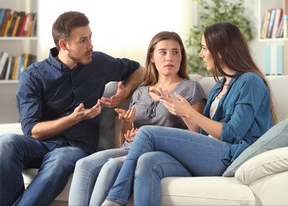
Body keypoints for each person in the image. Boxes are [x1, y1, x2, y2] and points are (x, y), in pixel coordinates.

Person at [102, 22, 278, 206]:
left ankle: (114, 200)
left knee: (147, 132)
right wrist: (182, 112)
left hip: (231, 155)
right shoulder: (219, 86)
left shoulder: (250, 81)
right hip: (211, 152)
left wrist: (190, 113)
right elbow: (203, 134)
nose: (201, 54)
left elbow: (232, 133)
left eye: (204, 48)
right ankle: (125, 179)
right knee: (147, 161)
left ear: (220, 50)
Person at [0, 11, 146, 206]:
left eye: (90, 37)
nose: (90, 46)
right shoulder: (33, 75)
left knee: (59, 160)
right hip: (41, 144)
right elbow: (32, 131)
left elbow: (139, 69)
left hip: (75, 147)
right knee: (5, 142)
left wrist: (125, 92)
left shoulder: (98, 62)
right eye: (83, 41)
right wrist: (73, 118)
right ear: (63, 44)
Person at [68, 31, 206, 206]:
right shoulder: (140, 92)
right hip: (130, 150)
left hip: (162, 154)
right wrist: (126, 124)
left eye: (175, 52)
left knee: (111, 167)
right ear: (152, 57)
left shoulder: (191, 88)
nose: (169, 57)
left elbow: (197, 134)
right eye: (163, 52)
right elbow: (125, 140)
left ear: (181, 57)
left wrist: (181, 111)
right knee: (84, 164)